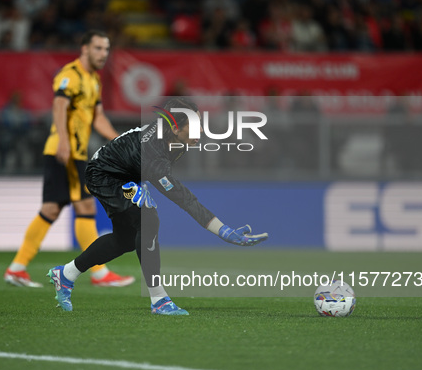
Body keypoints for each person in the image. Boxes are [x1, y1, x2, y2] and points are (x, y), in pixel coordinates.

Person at [47, 97, 269, 315]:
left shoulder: (174, 138)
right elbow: (184, 199)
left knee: (124, 240)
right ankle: (159, 299)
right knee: (148, 218)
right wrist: (224, 231)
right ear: (174, 128)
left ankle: (66, 274)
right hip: (104, 176)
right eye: (194, 126)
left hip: (124, 174)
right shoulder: (154, 157)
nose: (200, 131)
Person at [5, 30, 135, 288]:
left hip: (70, 153)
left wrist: (121, 141)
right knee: (85, 207)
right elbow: (59, 107)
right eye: (98, 48)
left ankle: (17, 268)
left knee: (51, 209)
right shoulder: (70, 75)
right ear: (84, 48)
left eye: (106, 49)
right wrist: (64, 140)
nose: (103, 54)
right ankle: (99, 273)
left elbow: (98, 118)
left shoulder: (94, 80)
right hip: (66, 151)